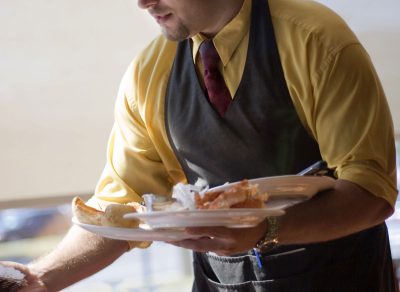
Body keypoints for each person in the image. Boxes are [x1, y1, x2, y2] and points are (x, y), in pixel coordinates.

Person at [1, 0, 398, 290]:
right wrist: (40, 278)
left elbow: (371, 193)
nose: (142, 3)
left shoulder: (317, 41)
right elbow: (119, 209)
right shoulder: (147, 75)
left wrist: (265, 228)